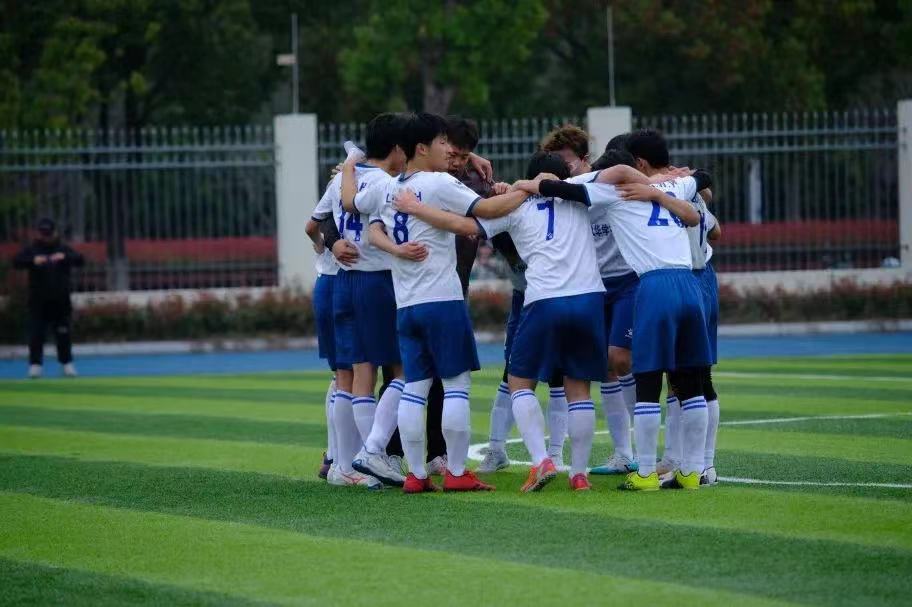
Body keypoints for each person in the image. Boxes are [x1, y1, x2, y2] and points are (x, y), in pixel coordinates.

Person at [395, 151, 610, 492]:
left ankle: (541, 461)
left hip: (544, 298)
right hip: (589, 297)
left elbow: (466, 227)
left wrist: (418, 209)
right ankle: (579, 475)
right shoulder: (580, 192)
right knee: (579, 388)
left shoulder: (516, 205)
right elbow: (618, 176)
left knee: (519, 382)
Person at [346, 112, 528, 493]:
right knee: (457, 384)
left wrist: (349, 164)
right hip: (443, 299)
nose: (449, 149)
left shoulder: (386, 187)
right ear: (422, 148)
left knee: (414, 386)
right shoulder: (438, 183)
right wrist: (529, 189)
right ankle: (457, 472)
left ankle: (415, 474)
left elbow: (356, 206)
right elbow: (487, 210)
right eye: (443, 142)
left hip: (406, 304)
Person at [523, 152, 713, 491]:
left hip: (654, 285)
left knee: (648, 381)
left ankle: (645, 473)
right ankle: (692, 471)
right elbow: (704, 177)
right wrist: (659, 188)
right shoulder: (673, 186)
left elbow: (563, 190)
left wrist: (527, 184)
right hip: (690, 283)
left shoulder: (613, 192)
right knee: (691, 380)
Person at [311, 113, 415, 489]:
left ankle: (343, 464)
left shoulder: (344, 176)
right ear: (397, 149)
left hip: (343, 281)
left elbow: (319, 221)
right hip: (377, 281)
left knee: (352, 375)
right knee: (402, 370)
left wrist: (333, 243)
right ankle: (373, 456)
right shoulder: (388, 183)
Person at [623, 129, 722, 487]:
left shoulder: (654, 190)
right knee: (691, 377)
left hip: (682, 279)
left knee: (679, 377)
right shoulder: (683, 184)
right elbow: (715, 229)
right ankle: (692, 465)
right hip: (699, 279)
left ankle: (690, 464)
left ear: (639, 163)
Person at [541, 125, 639, 475]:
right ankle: (624, 453)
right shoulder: (562, 195)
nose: (561, 169)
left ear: (584, 159)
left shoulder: (601, 184)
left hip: (626, 281)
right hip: (593, 287)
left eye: (566, 161)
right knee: (605, 370)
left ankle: (645, 450)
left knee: (620, 359)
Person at [13, 218, 84, 379]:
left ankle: (66, 364)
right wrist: (33, 261)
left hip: (61, 301)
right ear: (38, 233)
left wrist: (64, 257)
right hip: (38, 301)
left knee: (63, 334)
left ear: (55, 233)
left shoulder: (63, 248)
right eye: (43, 234)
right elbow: (16, 262)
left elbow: (80, 260)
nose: (46, 237)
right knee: (36, 334)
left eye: (49, 234)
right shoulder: (32, 249)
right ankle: (35, 365)